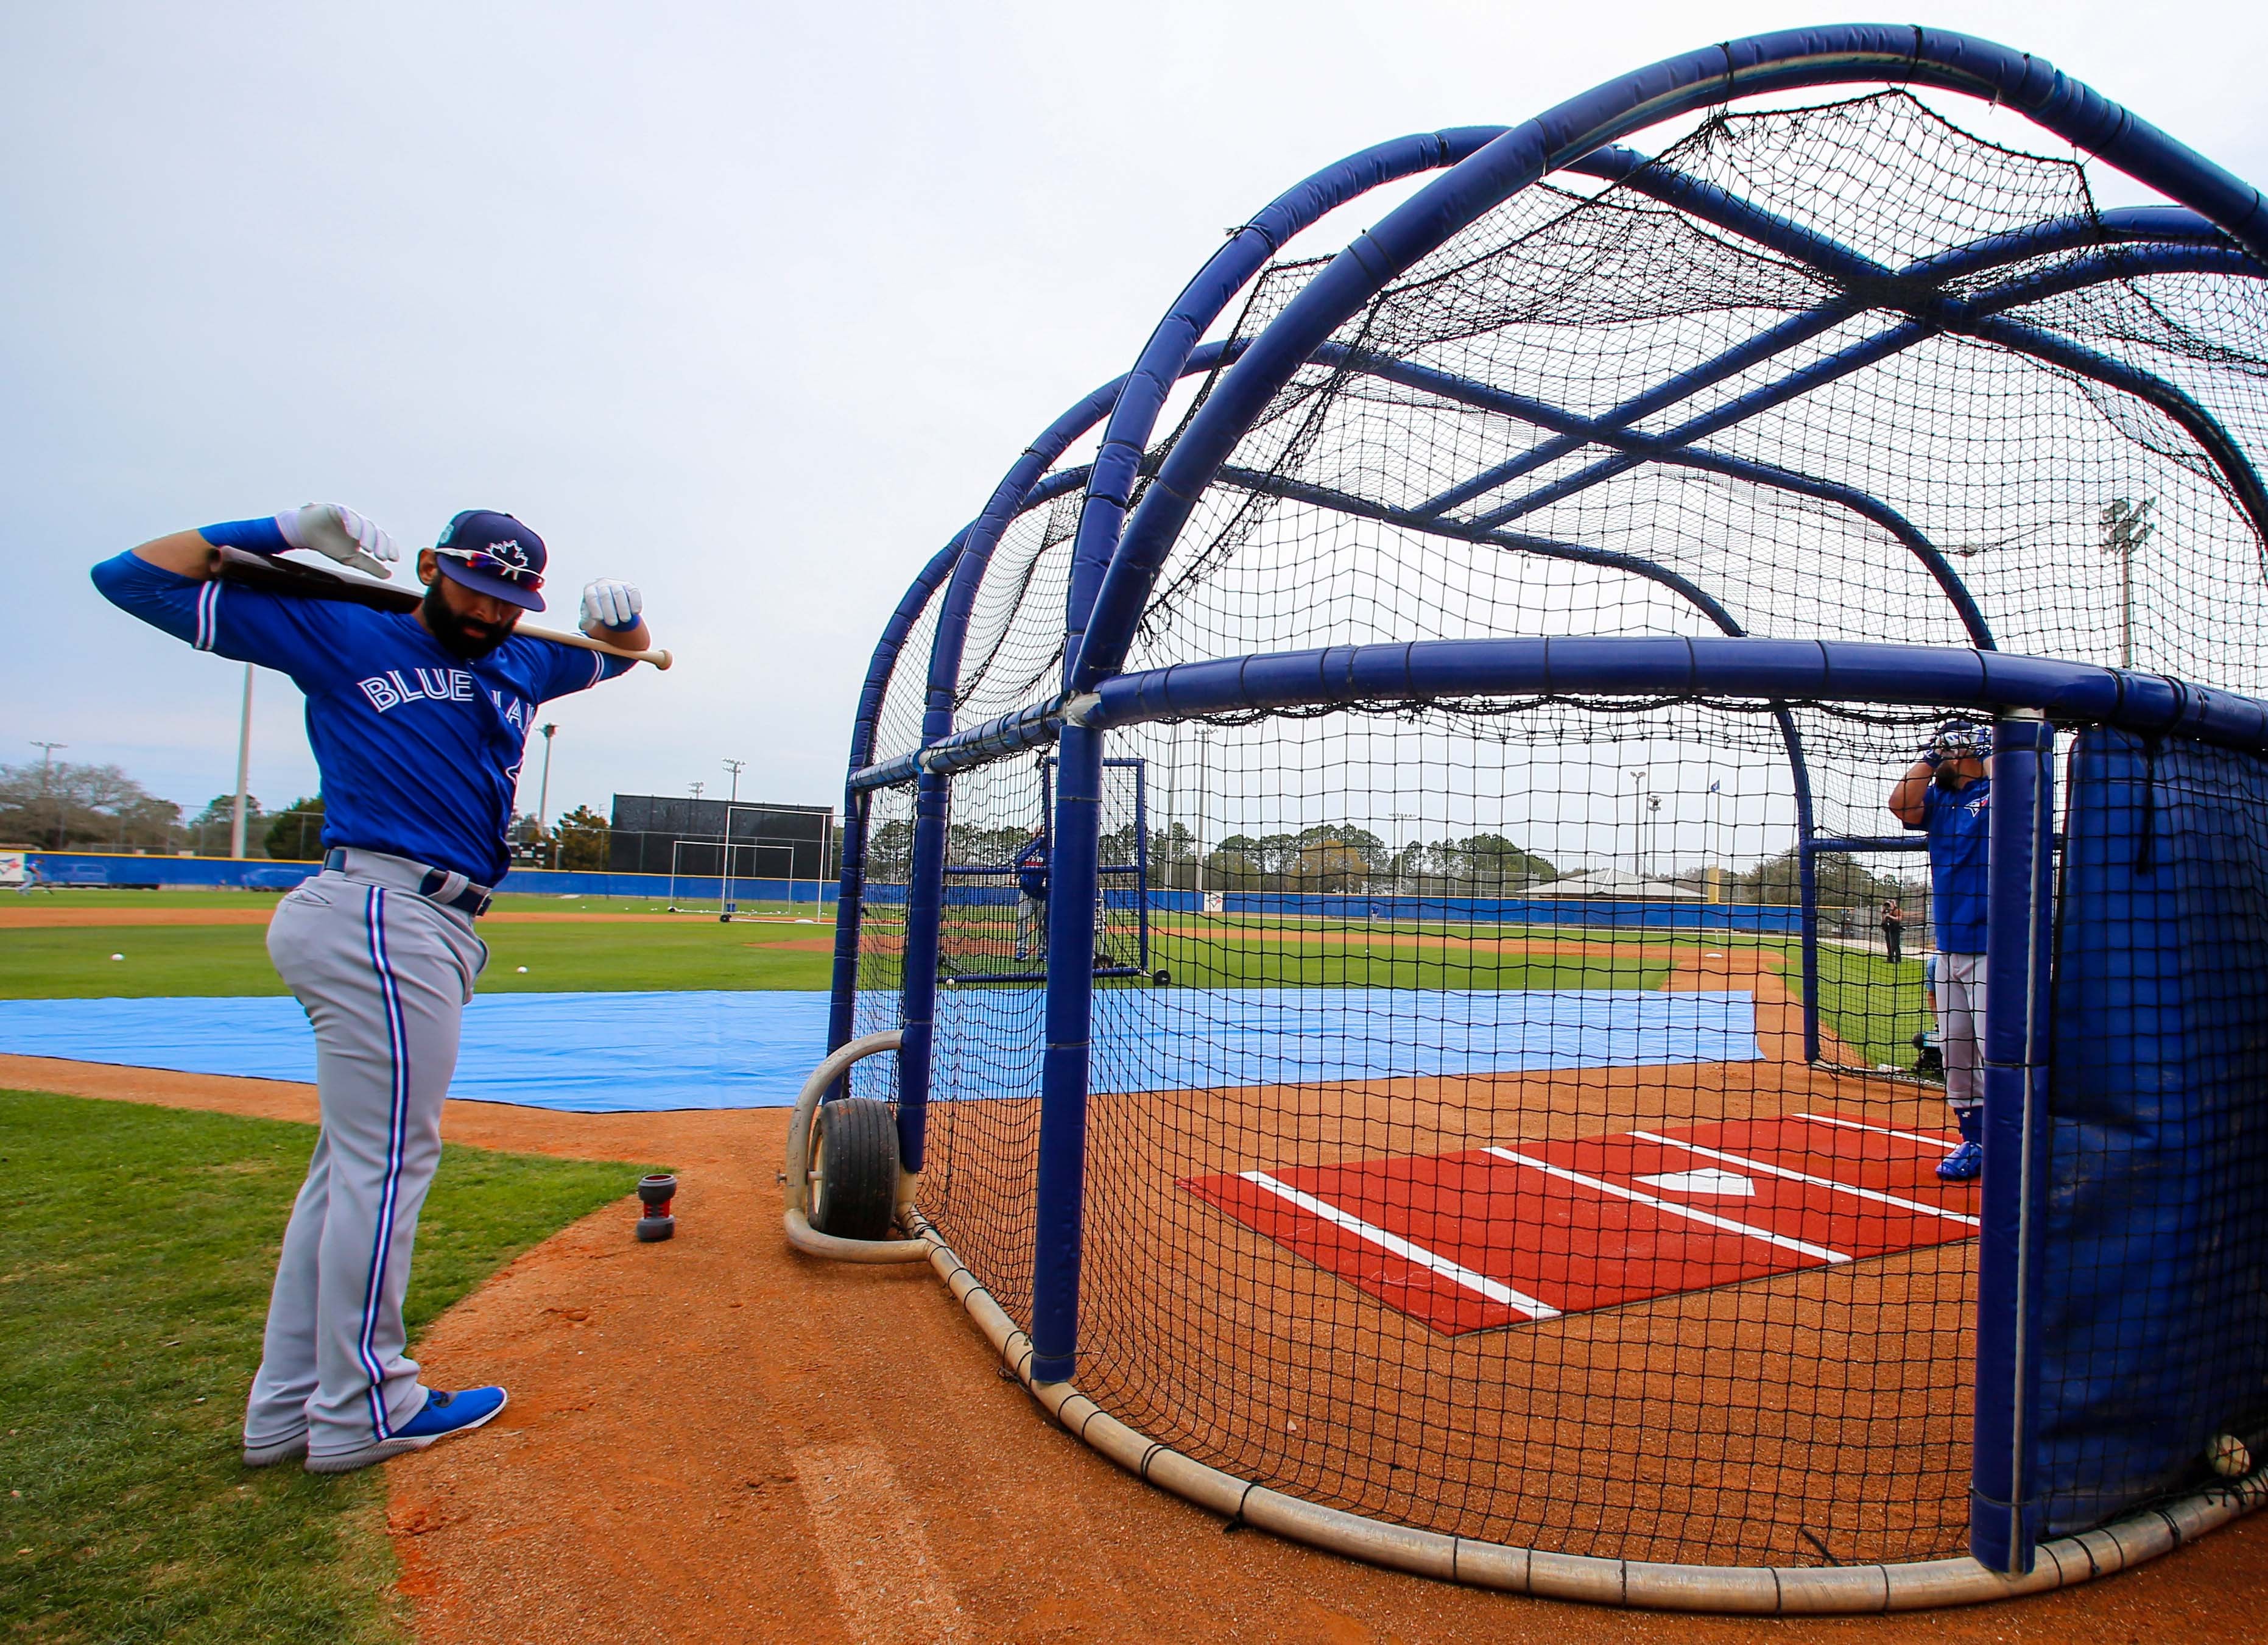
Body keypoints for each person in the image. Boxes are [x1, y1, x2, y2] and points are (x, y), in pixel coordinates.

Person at [91, 503, 652, 1473]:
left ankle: (286, 1410)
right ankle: (365, 1406)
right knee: (385, 1171)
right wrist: (281, 528)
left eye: (513, 599)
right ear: (433, 566)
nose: (489, 612)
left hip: (430, 923)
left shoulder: (525, 657)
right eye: (476, 588)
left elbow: (628, 654)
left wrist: (626, 624)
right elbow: (132, 578)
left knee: (347, 1174)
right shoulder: (345, 630)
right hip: (377, 908)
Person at [1887, 722, 1990, 1182]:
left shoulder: (1997, 788)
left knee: (2001, 1052)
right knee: (1956, 1051)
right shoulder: (1941, 801)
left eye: (1953, 747)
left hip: (1998, 948)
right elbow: (1900, 804)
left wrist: (1986, 748)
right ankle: (1975, 1138)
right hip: (1950, 947)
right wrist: (1931, 754)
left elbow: (2018, 790)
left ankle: (2017, 1140)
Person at [1013, 826, 1049, 961]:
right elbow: (1018, 862)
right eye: (1038, 833)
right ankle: (1021, 951)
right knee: (1022, 919)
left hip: (1042, 894)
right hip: (1026, 891)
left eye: (1042, 833)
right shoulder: (1029, 850)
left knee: (1043, 925)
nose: (1040, 836)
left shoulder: (1048, 852)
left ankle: (1043, 952)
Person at [1879, 897, 1906, 965]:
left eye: (1889, 904)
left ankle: (1898, 960)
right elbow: (1883, 921)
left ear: (1893, 904)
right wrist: (1883, 914)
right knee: (1889, 945)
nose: (1888, 907)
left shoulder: (1898, 910)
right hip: (1888, 930)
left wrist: (1890, 917)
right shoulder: (1886, 912)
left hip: (1895, 930)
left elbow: (1899, 919)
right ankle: (1890, 959)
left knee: (1896, 945)